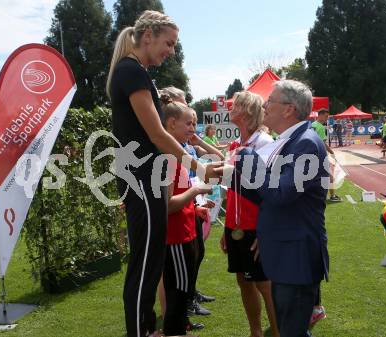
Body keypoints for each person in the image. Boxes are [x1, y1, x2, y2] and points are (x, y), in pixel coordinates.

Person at [106, 10, 221, 337]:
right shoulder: (131, 72)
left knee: (151, 262)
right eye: (168, 43)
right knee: (144, 266)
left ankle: (145, 328)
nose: (171, 50)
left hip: (146, 178)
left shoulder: (135, 72)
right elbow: (157, 134)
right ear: (148, 36)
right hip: (142, 179)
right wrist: (198, 166)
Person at [231, 80, 330, 337]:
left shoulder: (305, 142)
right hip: (286, 253)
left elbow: (280, 193)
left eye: (270, 101)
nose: (265, 105)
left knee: (291, 331)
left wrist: (248, 159)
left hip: (295, 258)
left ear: (288, 109)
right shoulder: (290, 140)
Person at [219, 91, 279, 337]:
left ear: (248, 110)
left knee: (265, 285)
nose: (231, 107)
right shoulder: (235, 145)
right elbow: (230, 190)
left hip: (257, 228)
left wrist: (266, 232)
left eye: (237, 104)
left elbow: (273, 193)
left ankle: (277, 332)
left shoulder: (265, 143)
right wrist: (226, 227)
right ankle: (255, 332)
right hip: (235, 225)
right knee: (243, 282)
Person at [160, 95, 211, 337]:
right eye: (188, 124)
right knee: (178, 297)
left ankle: (181, 328)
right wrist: (196, 191)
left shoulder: (177, 153)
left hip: (185, 232)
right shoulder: (168, 157)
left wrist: (195, 207)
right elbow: (167, 205)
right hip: (176, 239)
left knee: (181, 296)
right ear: (171, 124)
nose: (193, 129)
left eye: (194, 124)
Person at [311, 109, 341, 202]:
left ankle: (320, 195)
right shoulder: (320, 127)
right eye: (326, 116)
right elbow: (323, 143)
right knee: (330, 176)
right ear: (320, 115)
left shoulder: (312, 125)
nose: (327, 119)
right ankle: (332, 196)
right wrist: (331, 152)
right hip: (321, 155)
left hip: (312, 155)